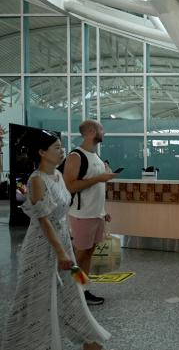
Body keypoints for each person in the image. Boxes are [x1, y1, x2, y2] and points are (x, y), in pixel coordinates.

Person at [1, 130, 110, 350]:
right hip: (42, 245)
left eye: (61, 146)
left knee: (71, 291)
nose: (62, 151)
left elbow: (59, 214)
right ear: (42, 152)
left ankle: (88, 338)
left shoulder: (58, 176)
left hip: (61, 240)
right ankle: (31, 342)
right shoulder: (36, 180)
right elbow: (44, 221)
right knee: (39, 296)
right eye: (57, 148)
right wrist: (60, 252)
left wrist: (65, 245)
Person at [63, 120, 117, 306]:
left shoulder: (96, 157)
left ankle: (82, 289)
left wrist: (103, 211)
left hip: (96, 214)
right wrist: (99, 178)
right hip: (82, 214)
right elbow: (69, 186)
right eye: (102, 129)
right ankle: (70, 290)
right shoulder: (76, 156)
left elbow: (97, 188)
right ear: (92, 131)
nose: (104, 132)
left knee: (89, 252)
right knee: (80, 253)